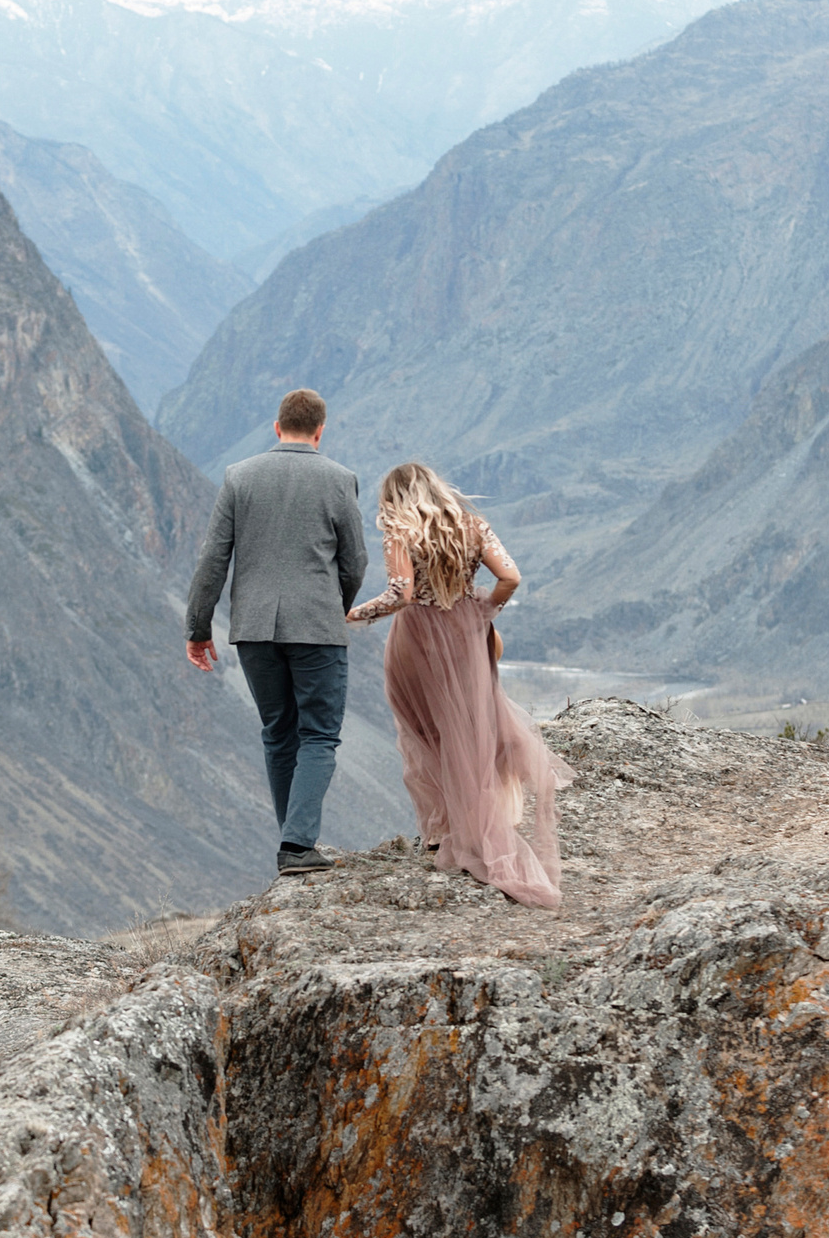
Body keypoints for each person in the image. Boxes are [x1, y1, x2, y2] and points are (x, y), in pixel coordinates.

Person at [347, 461, 569, 907]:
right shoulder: (472, 525)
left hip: (418, 639)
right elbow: (511, 577)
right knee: (470, 725)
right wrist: (484, 611)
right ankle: (473, 821)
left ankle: (445, 828)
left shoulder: (400, 530)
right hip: (467, 635)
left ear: (396, 497)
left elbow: (401, 594)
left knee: (421, 727)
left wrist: (355, 614)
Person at [185, 388, 369, 875]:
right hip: (317, 628)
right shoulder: (339, 480)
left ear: (276, 426)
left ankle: (293, 841)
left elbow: (212, 560)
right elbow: (355, 562)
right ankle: (297, 844)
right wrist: (335, 607)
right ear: (320, 430)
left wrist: (198, 627)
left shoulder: (238, 478)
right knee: (320, 734)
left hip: (254, 631)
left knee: (278, 732)